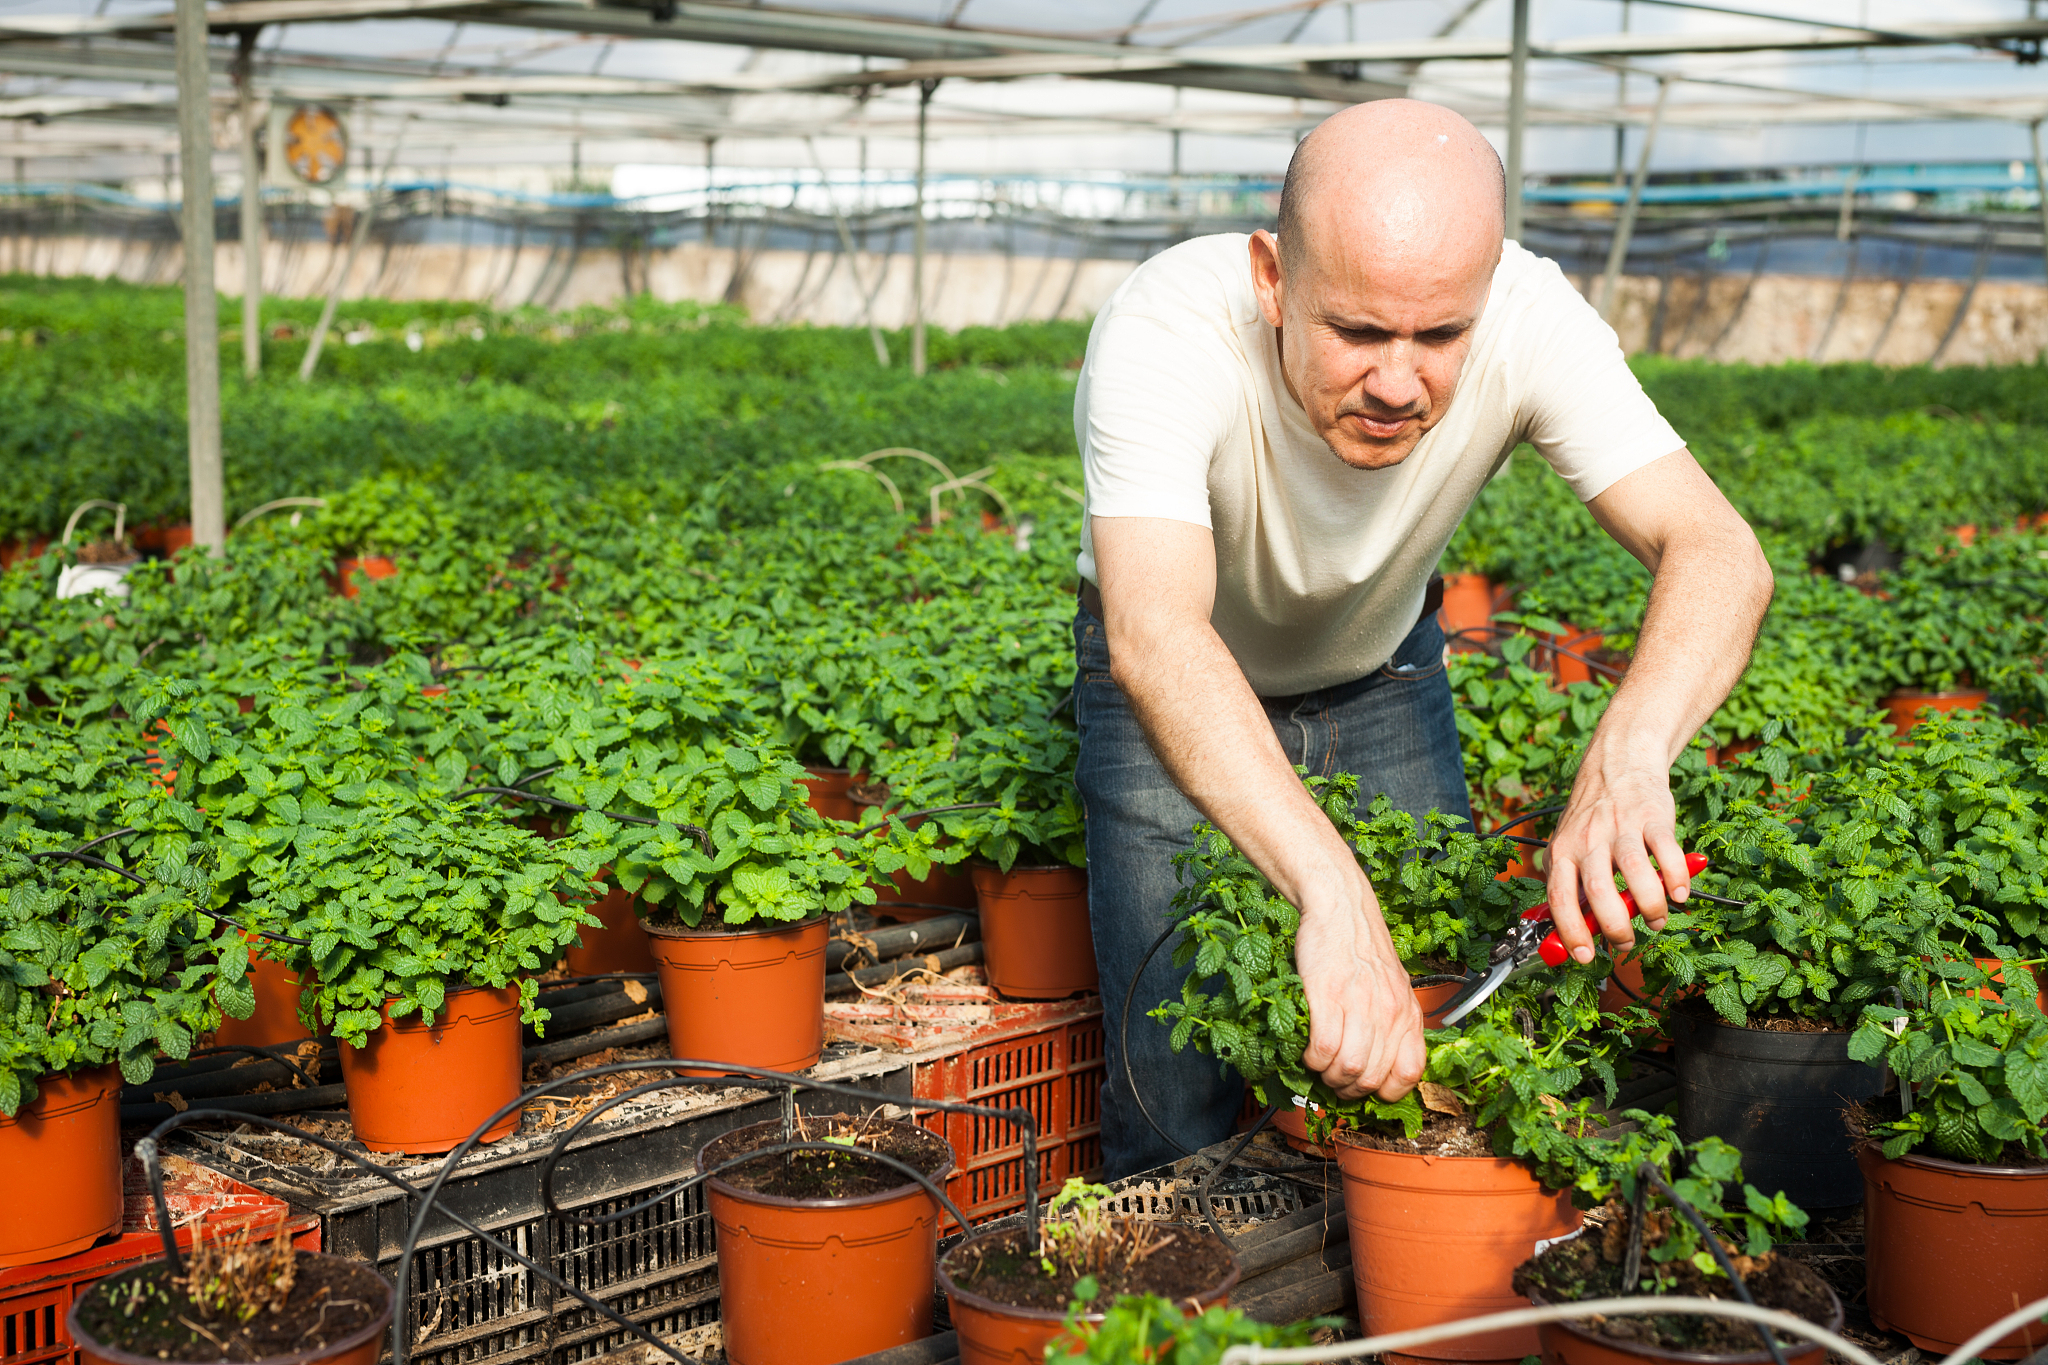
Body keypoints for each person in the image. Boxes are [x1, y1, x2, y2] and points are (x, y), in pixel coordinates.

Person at [1072, 99, 1774, 1178]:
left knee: (1442, 1020)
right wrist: (1331, 889)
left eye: (1439, 336)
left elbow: (1719, 552)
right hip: (1175, 682)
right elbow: (1156, 632)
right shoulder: (1165, 328)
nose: (1397, 384)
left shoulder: (1532, 318)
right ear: (1272, 278)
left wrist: (1625, 757)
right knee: (1173, 1065)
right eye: (1354, 331)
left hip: (1380, 675)